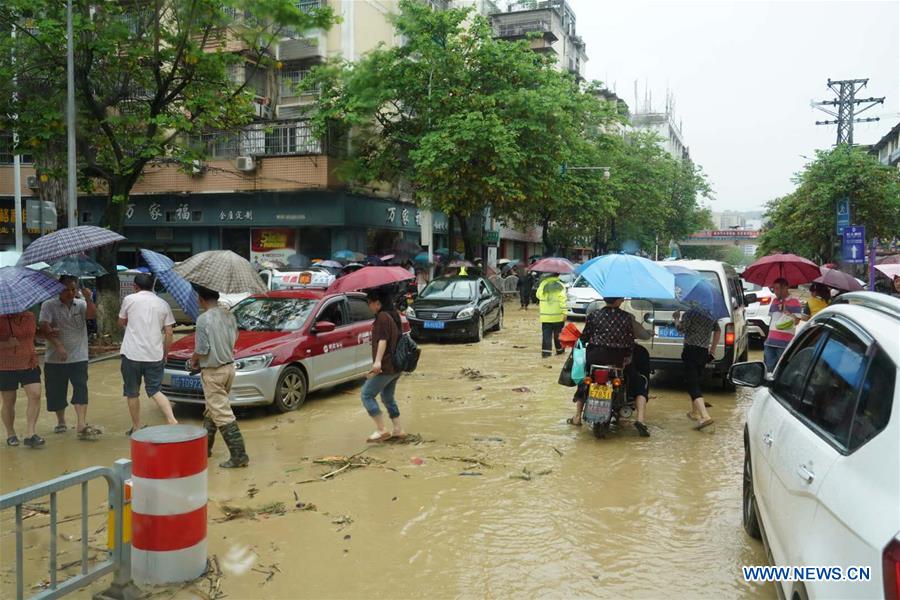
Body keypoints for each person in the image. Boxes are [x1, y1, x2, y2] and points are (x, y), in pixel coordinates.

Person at [569, 298, 652, 437]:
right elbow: (630, 342)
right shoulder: (626, 317)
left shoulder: (594, 315)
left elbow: (584, 338)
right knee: (639, 383)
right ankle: (641, 420)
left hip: (594, 358)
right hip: (618, 362)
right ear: (619, 300)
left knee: (584, 381)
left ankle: (577, 416)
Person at [190, 286, 248, 468]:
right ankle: (204, 449)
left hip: (213, 372)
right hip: (229, 368)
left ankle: (239, 456)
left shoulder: (203, 319)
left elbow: (201, 349)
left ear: (201, 299)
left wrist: (193, 360)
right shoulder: (229, 316)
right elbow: (235, 337)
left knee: (222, 413)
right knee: (212, 409)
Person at [39, 275, 100, 441]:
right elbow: (43, 328)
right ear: (58, 290)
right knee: (56, 392)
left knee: (81, 389)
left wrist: (89, 298)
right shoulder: (48, 305)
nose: (70, 292)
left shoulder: (81, 304)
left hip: (79, 356)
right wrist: (57, 344)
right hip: (55, 358)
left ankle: (81, 423)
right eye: (66, 289)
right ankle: (61, 420)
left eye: (73, 289)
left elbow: (92, 316)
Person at [118, 273, 178, 434]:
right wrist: (165, 353)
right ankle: (172, 420)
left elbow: (121, 322)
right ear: (152, 286)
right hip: (154, 355)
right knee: (155, 390)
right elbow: (169, 333)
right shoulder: (163, 304)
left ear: (135, 287)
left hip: (131, 354)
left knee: (132, 392)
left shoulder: (129, 300)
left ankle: (136, 428)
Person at [361, 289, 405, 443]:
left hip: (386, 366)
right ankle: (398, 429)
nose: (369, 306)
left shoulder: (382, 317)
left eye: (369, 303)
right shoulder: (394, 315)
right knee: (387, 397)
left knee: (366, 395)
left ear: (377, 303)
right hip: (396, 366)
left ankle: (381, 429)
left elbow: (383, 340)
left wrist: (377, 362)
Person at [0, 310, 44, 447]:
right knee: (9, 401)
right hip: (5, 365)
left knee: (36, 394)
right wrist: (7, 344)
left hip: (29, 362)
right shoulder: (1, 317)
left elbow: (32, 337)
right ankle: (10, 433)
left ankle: (31, 433)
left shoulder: (30, 316)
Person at [673, 304, 720, 431]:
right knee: (696, 380)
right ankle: (695, 412)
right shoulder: (710, 314)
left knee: (692, 384)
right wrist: (713, 351)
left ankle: (705, 416)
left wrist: (676, 318)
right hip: (703, 352)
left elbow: (681, 329)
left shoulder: (690, 314)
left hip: (690, 351)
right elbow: (718, 330)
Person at [763, 277, 803, 372]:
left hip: (784, 344)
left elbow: (797, 321)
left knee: (782, 371)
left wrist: (787, 312)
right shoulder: (774, 301)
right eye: (774, 288)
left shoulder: (795, 302)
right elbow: (772, 320)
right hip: (770, 342)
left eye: (777, 288)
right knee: (768, 371)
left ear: (785, 288)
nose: (775, 291)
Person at [536, 272, 567, 357]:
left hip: (545, 317)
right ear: (558, 275)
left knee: (546, 336)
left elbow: (538, 295)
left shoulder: (543, 284)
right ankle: (560, 351)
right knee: (558, 335)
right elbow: (562, 300)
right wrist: (565, 312)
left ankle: (546, 354)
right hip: (558, 316)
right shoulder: (560, 285)